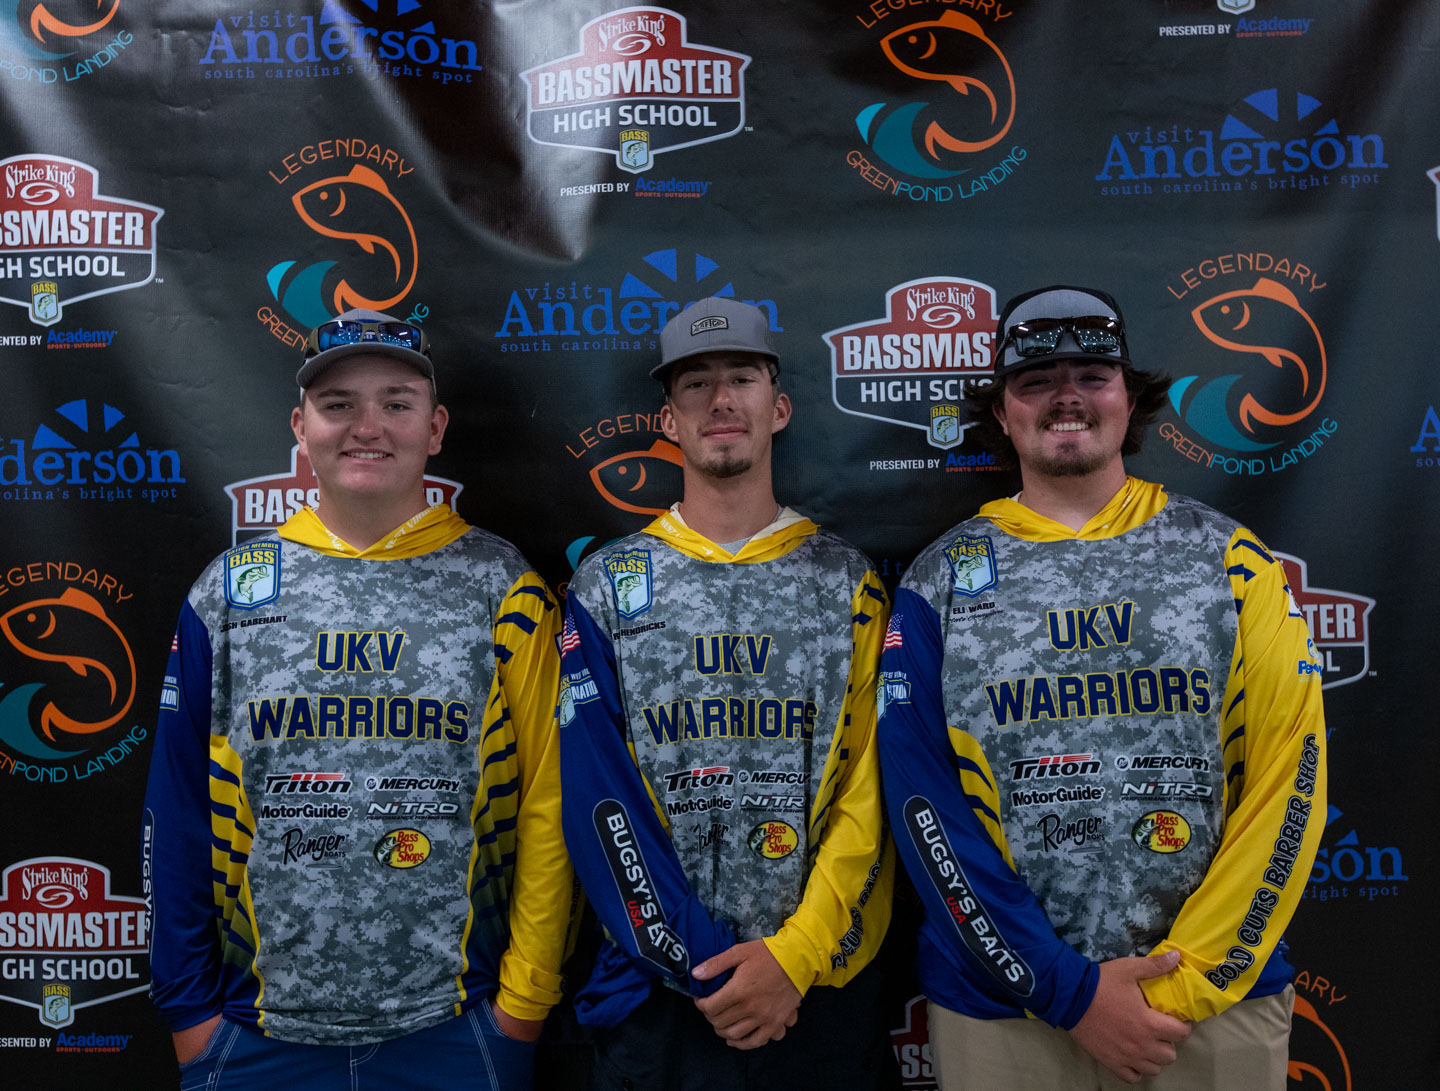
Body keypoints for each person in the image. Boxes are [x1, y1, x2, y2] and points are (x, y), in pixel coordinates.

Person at [877, 285, 1326, 1089]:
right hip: (1005, 1008)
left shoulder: (1230, 557)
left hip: (1209, 1005)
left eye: (1092, 374)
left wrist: (1184, 984)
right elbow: (923, 804)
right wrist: (1066, 990)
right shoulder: (937, 580)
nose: (1067, 396)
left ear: (1130, 397)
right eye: (1036, 380)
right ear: (1002, 411)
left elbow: (1290, 779)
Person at [142, 309, 573, 1089]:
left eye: (396, 403)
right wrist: (189, 1014)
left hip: (456, 1029)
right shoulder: (228, 593)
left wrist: (521, 1006)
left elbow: (552, 801)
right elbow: (176, 810)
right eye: (338, 404)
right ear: (300, 427)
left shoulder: (502, 587)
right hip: (253, 1036)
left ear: (435, 428)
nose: (367, 426)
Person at [558, 296, 896, 1089]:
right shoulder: (607, 586)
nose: (720, 400)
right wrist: (700, 962)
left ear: (778, 408)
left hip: (815, 990)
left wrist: (795, 956)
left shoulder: (847, 581)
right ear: (667, 420)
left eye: (742, 378)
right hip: (658, 996)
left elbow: (872, 794)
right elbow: (597, 796)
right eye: (695, 383)